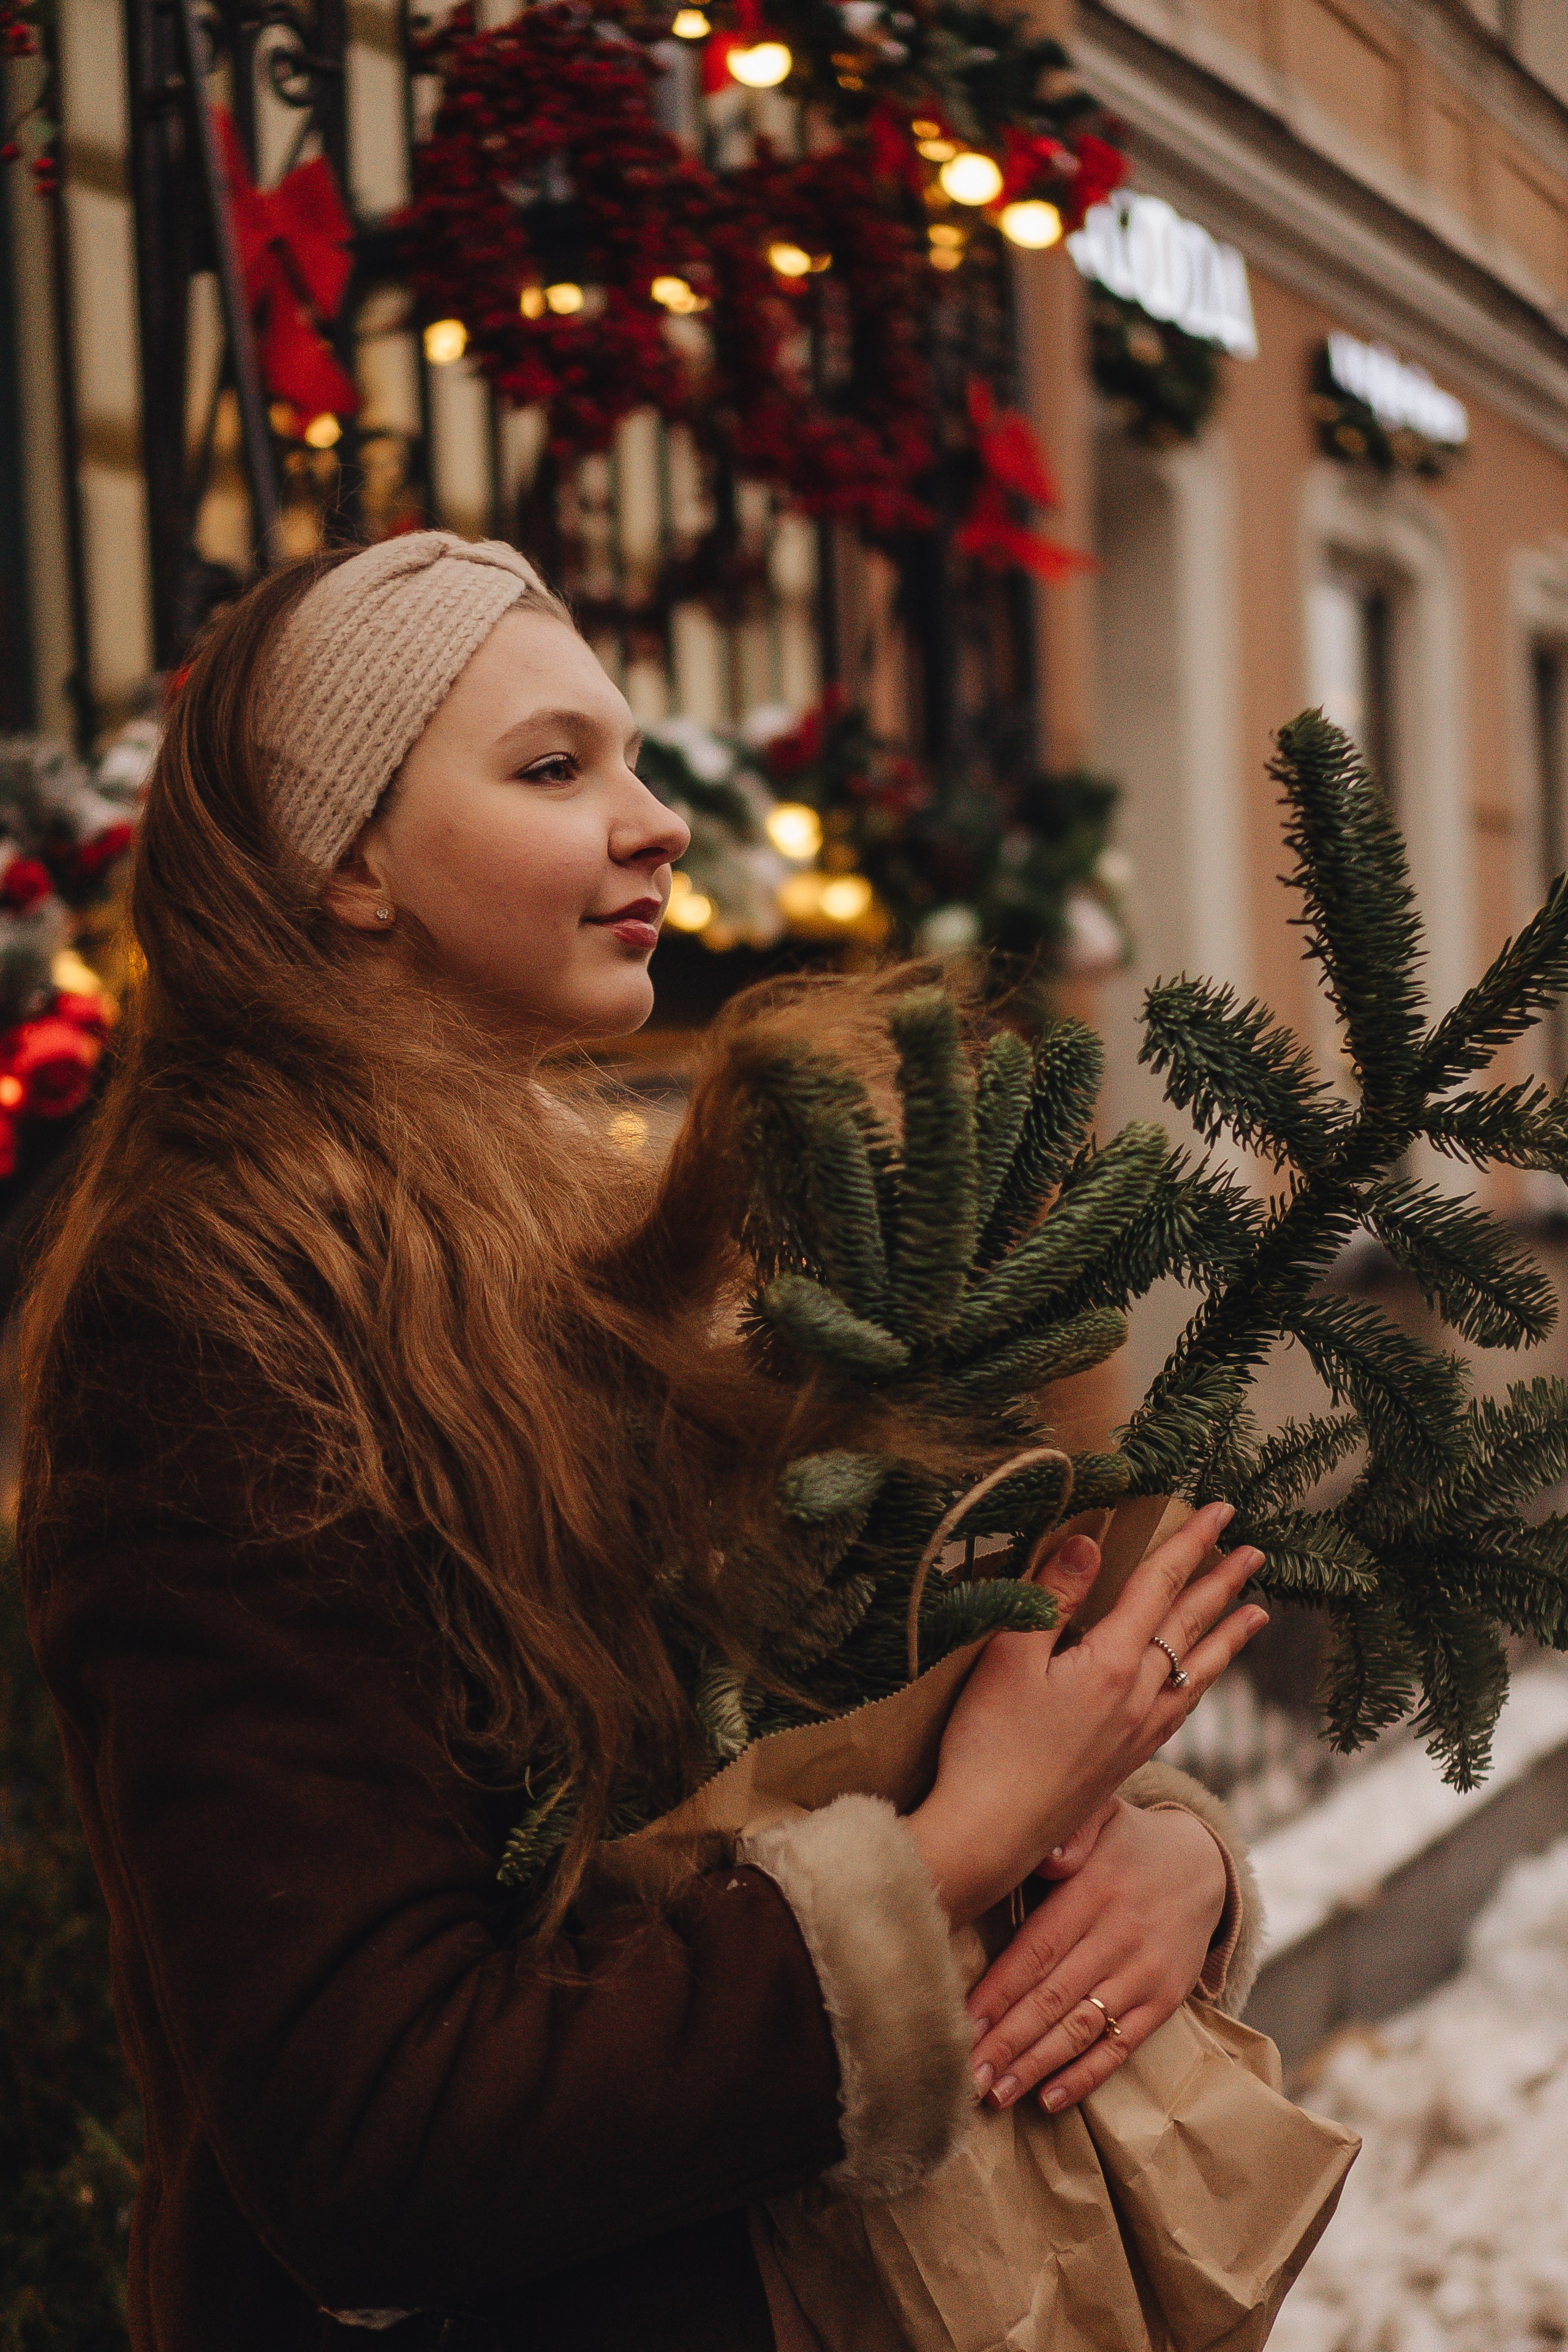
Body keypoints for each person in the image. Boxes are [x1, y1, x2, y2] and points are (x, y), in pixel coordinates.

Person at [18, 533, 1268, 2352]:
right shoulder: (224, 1327)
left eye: (636, 755)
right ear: (345, 864)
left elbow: (780, 1745)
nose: (659, 820)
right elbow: (371, 2135)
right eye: (554, 768)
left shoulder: (587, 1247)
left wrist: (1144, 1855)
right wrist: (956, 1856)